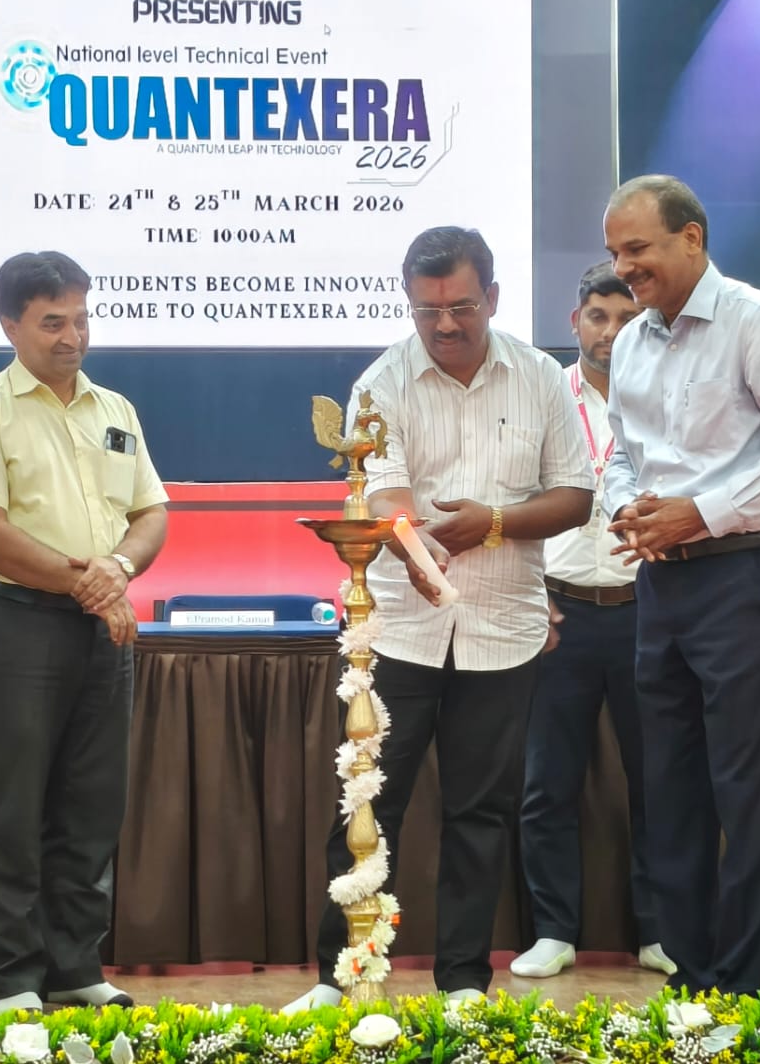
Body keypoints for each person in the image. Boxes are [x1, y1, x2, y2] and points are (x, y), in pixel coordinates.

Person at [284, 227, 594, 1012]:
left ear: (492, 296)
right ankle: (339, 977)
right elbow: (383, 494)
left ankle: (461, 981)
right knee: (366, 803)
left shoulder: (539, 378)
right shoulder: (380, 383)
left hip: (504, 631)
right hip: (399, 629)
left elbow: (575, 496)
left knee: (480, 814)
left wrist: (494, 522)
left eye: (460, 307)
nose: (445, 325)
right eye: (427, 311)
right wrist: (416, 549)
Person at [602, 175, 760, 995]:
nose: (624, 268)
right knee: (669, 792)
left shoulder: (755, 320)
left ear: (692, 238)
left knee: (744, 792)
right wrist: (625, 506)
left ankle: (740, 992)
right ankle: (691, 984)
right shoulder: (630, 342)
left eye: (637, 249)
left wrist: (699, 514)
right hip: (660, 586)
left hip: (744, 575)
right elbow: (623, 451)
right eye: (615, 253)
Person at [0, 251, 169, 1015]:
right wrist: (85, 581)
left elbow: (150, 513)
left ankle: (74, 965)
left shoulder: (115, 410)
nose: (72, 337)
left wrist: (118, 569)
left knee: (90, 805)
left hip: (101, 628)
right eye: (51, 323)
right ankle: (12, 978)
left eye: (80, 318)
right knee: (10, 810)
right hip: (15, 625)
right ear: (9, 325)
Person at [511, 262, 675, 980]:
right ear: (574, 321)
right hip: (559, 612)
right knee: (547, 782)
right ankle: (553, 931)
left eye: (625, 318)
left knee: (658, 780)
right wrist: (529, 592)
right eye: (598, 317)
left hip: (647, 609)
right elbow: (513, 500)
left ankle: (660, 931)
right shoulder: (543, 397)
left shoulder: (666, 393)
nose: (610, 332)